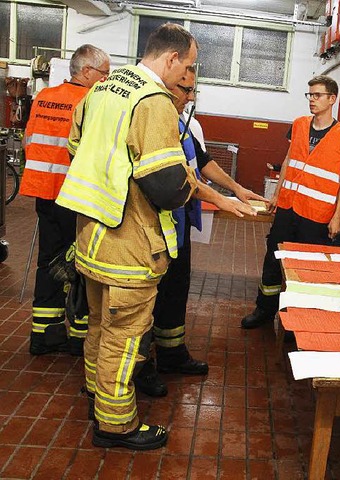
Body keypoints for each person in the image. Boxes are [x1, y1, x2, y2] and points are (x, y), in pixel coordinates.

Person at [56, 23, 254, 450]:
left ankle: (97, 395)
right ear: (170, 60)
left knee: (97, 325)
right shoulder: (153, 102)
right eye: (189, 65)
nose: (189, 75)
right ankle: (116, 424)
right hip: (128, 245)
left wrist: (120, 180)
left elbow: (78, 146)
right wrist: (205, 193)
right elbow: (165, 186)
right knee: (124, 338)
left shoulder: (104, 89)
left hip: (91, 234)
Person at [135, 66, 267, 396]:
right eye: (186, 89)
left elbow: (203, 161)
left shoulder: (180, 122)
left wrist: (236, 187)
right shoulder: (155, 121)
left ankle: (172, 354)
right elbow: (177, 178)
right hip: (151, 231)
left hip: (175, 228)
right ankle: (141, 368)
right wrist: (220, 199)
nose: (191, 97)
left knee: (175, 292)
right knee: (147, 303)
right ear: (167, 87)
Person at [241, 75, 340, 329]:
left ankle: (299, 320)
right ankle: (264, 310)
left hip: (317, 214)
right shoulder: (299, 124)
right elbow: (289, 159)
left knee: (307, 269)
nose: (312, 100)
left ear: (332, 99)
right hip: (288, 207)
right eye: (309, 95)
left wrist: (337, 215)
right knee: (273, 259)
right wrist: (277, 194)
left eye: (317, 95)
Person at [19, 44, 110, 356]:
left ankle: (43, 335)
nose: (105, 79)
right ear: (86, 71)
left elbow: (30, 140)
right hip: (75, 195)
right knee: (80, 264)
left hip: (44, 190)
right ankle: (79, 337)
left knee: (48, 261)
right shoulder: (91, 100)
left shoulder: (44, 96)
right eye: (103, 73)